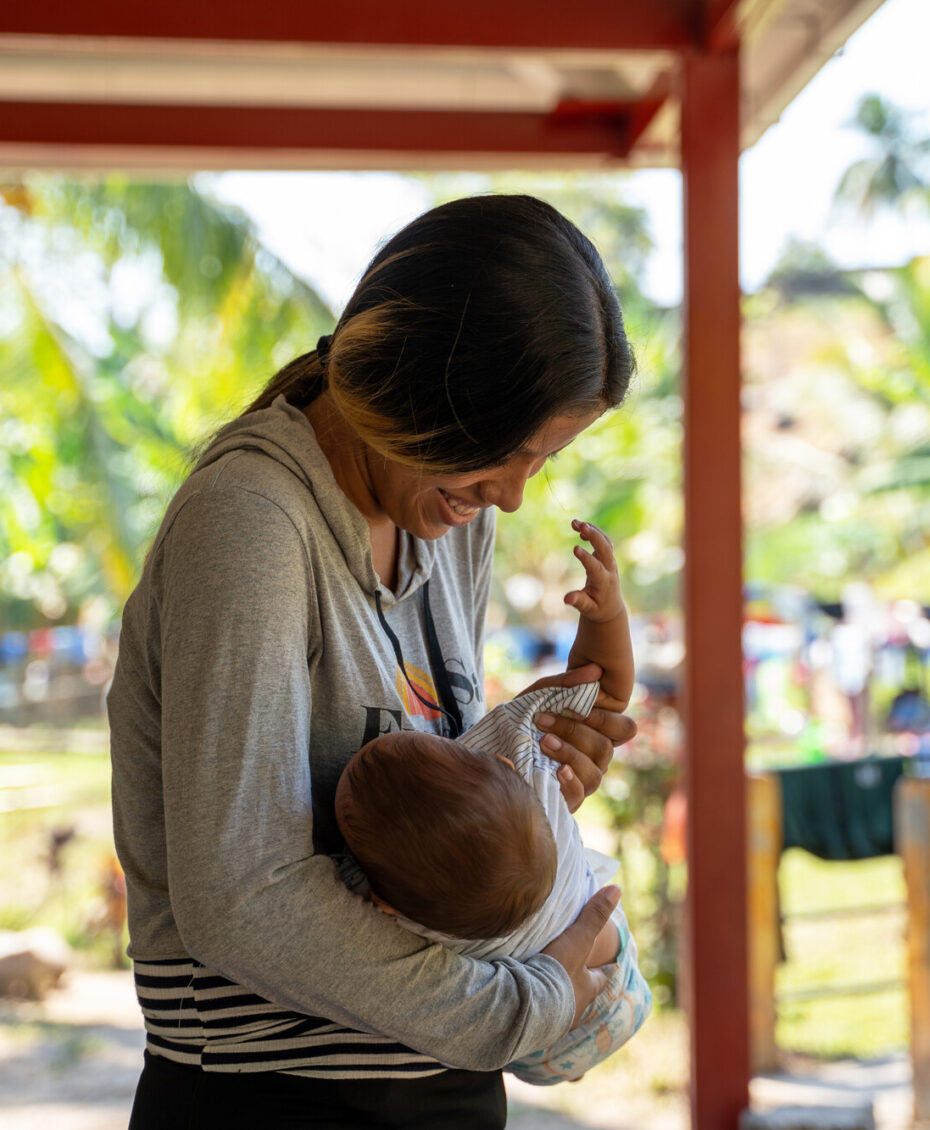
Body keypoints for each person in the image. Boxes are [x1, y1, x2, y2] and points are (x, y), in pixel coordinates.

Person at [108, 194, 638, 1129]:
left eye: (539, 464)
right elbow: (242, 900)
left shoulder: (445, 521)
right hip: (273, 1102)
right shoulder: (252, 525)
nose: (512, 498)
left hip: (439, 1089)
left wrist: (507, 810)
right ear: (414, 390)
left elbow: (403, 841)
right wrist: (530, 1004)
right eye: (498, 455)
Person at [335, 519, 652, 1085]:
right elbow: (600, 690)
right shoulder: (532, 783)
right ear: (503, 764)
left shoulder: (410, 910)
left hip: (539, 1036)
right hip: (600, 979)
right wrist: (607, 619)